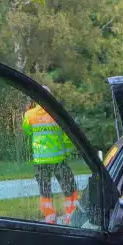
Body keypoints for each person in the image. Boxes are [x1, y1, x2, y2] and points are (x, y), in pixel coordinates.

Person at [22, 93, 78, 225]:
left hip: (40, 161)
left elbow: (27, 131)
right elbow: (66, 136)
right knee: (70, 189)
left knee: (45, 192)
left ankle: (50, 220)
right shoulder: (57, 114)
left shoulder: (29, 115)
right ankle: (70, 218)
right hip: (58, 160)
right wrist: (68, 151)